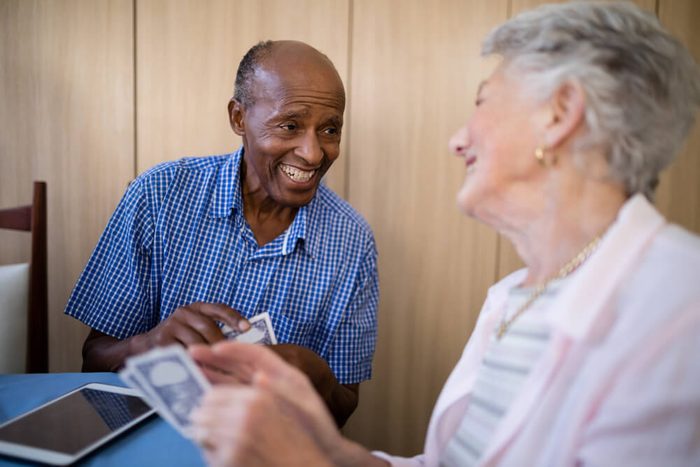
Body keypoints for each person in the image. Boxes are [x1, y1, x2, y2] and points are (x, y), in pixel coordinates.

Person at [187, 2, 700, 466]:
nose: (458, 141)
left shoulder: (679, 307)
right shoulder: (514, 296)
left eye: (485, 102)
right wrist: (331, 449)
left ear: (558, 115)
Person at [64, 40, 379, 426]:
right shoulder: (159, 196)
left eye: (329, 129)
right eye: (290, 125)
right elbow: (92, 360)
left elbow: (343, 405)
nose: (313, 154)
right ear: (238, 118)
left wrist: (314, 374)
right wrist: (147, 345)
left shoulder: (353, 240)